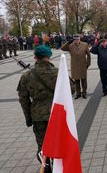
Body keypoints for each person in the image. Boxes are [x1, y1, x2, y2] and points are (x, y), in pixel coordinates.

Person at [17, 45, 58, 173]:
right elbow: (72, 89)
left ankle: (46, 168)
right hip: (56, 114)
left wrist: (28, 118)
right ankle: (58, 167)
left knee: (42, 145)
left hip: (38, 116)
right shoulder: (57, 72)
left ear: (35, 57)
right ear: (49, 57)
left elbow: (23, 99)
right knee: (58, 143)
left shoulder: (27, 76)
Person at [61, 34, 91, 99]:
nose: (76, 40)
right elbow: (62, 48)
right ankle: (78, 93)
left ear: (80, 39)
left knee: (84, 80)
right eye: (75, 39)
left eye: (77, 39)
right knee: (76, 80)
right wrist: (68, 42)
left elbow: (88, 55)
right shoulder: (70, 46)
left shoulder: (85, 44)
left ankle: (84, 92)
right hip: (75, 65)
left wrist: (88, 64)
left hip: (83, 65)